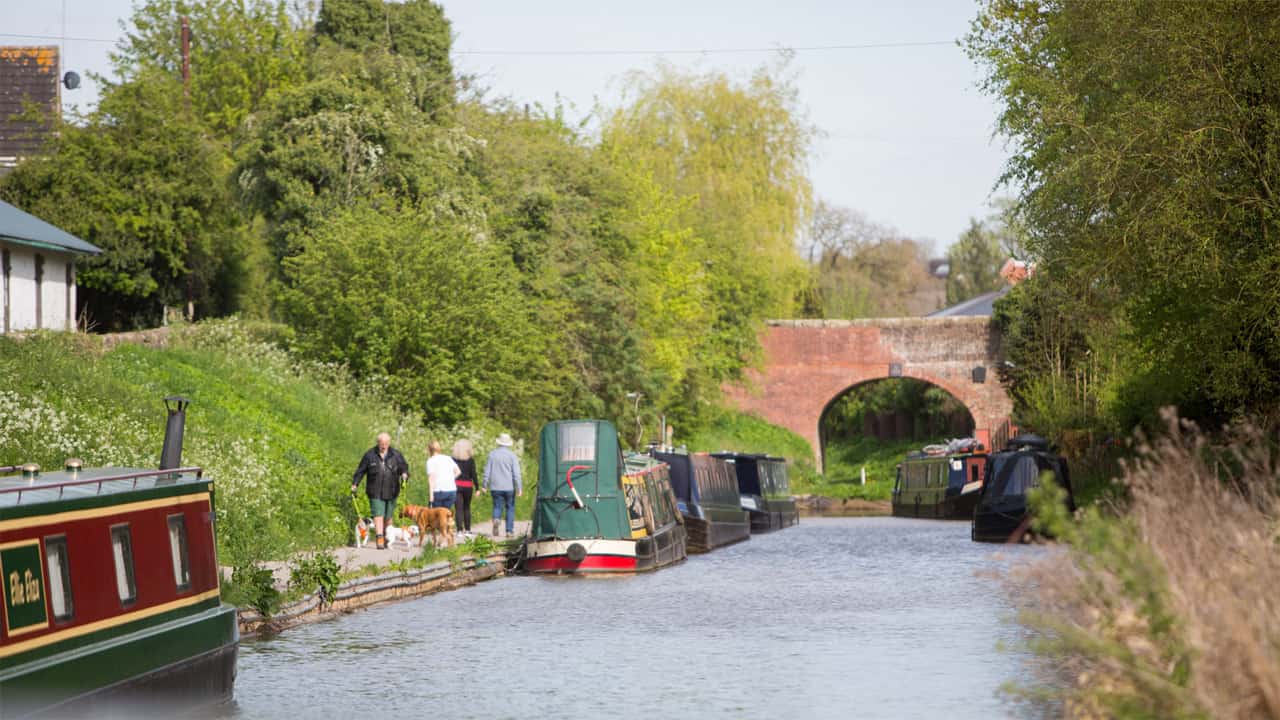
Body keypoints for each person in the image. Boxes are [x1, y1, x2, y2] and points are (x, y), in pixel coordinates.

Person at [351, 432, 409, 550]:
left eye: (386, 443)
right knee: (378, 514)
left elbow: (404, 468)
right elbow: (360, 471)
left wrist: (404, 475)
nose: (384, 446)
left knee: (388, 516)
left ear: (389, 443)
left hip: (392, 490)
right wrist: (355, 484)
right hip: (375, 490)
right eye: (382, 443)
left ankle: (387, 536)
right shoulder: (369, 455)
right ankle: (379, 537)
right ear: (378, 443)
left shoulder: (396, 455)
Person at [482, 432, 522, 536]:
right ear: (508, 443)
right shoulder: (512, 456)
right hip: (509, 487)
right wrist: (519, 487)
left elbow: (487, 471)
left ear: (499, 443)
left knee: (497, 506)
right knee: (510, 507)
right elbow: (516, 473)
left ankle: (496, 519)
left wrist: (484, 485)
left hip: (495, 487)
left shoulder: (492, 454)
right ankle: (509, 531)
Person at [426, 440, 461, 511]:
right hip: (451, 490)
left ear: (429, 450)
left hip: (439, 491)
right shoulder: (448, 458)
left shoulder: (430, 461)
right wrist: (450, 478)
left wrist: (431, 498)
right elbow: (458, 472)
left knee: (436, 517)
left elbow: (431, 480)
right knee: (445, 515)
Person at [451, 439, 477, 535]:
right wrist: (477, 487)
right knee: (467, 508)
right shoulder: (470, 460)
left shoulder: (452, 459)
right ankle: (468, 530)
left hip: (456, 485)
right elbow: (473, 474)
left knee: (458, 509)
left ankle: (459, 530)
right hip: (468, 486)